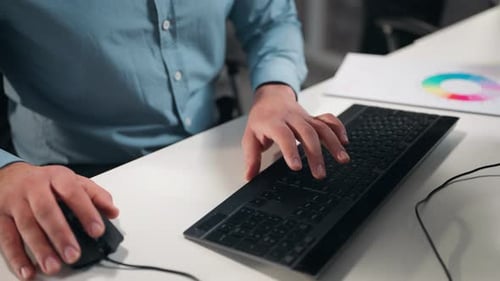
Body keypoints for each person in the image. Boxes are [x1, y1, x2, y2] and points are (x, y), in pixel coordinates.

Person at [0, 1, 350, 280]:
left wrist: (275, 90)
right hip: (78, 174)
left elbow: (272, 18)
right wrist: (5, 173)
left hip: (215, 145)